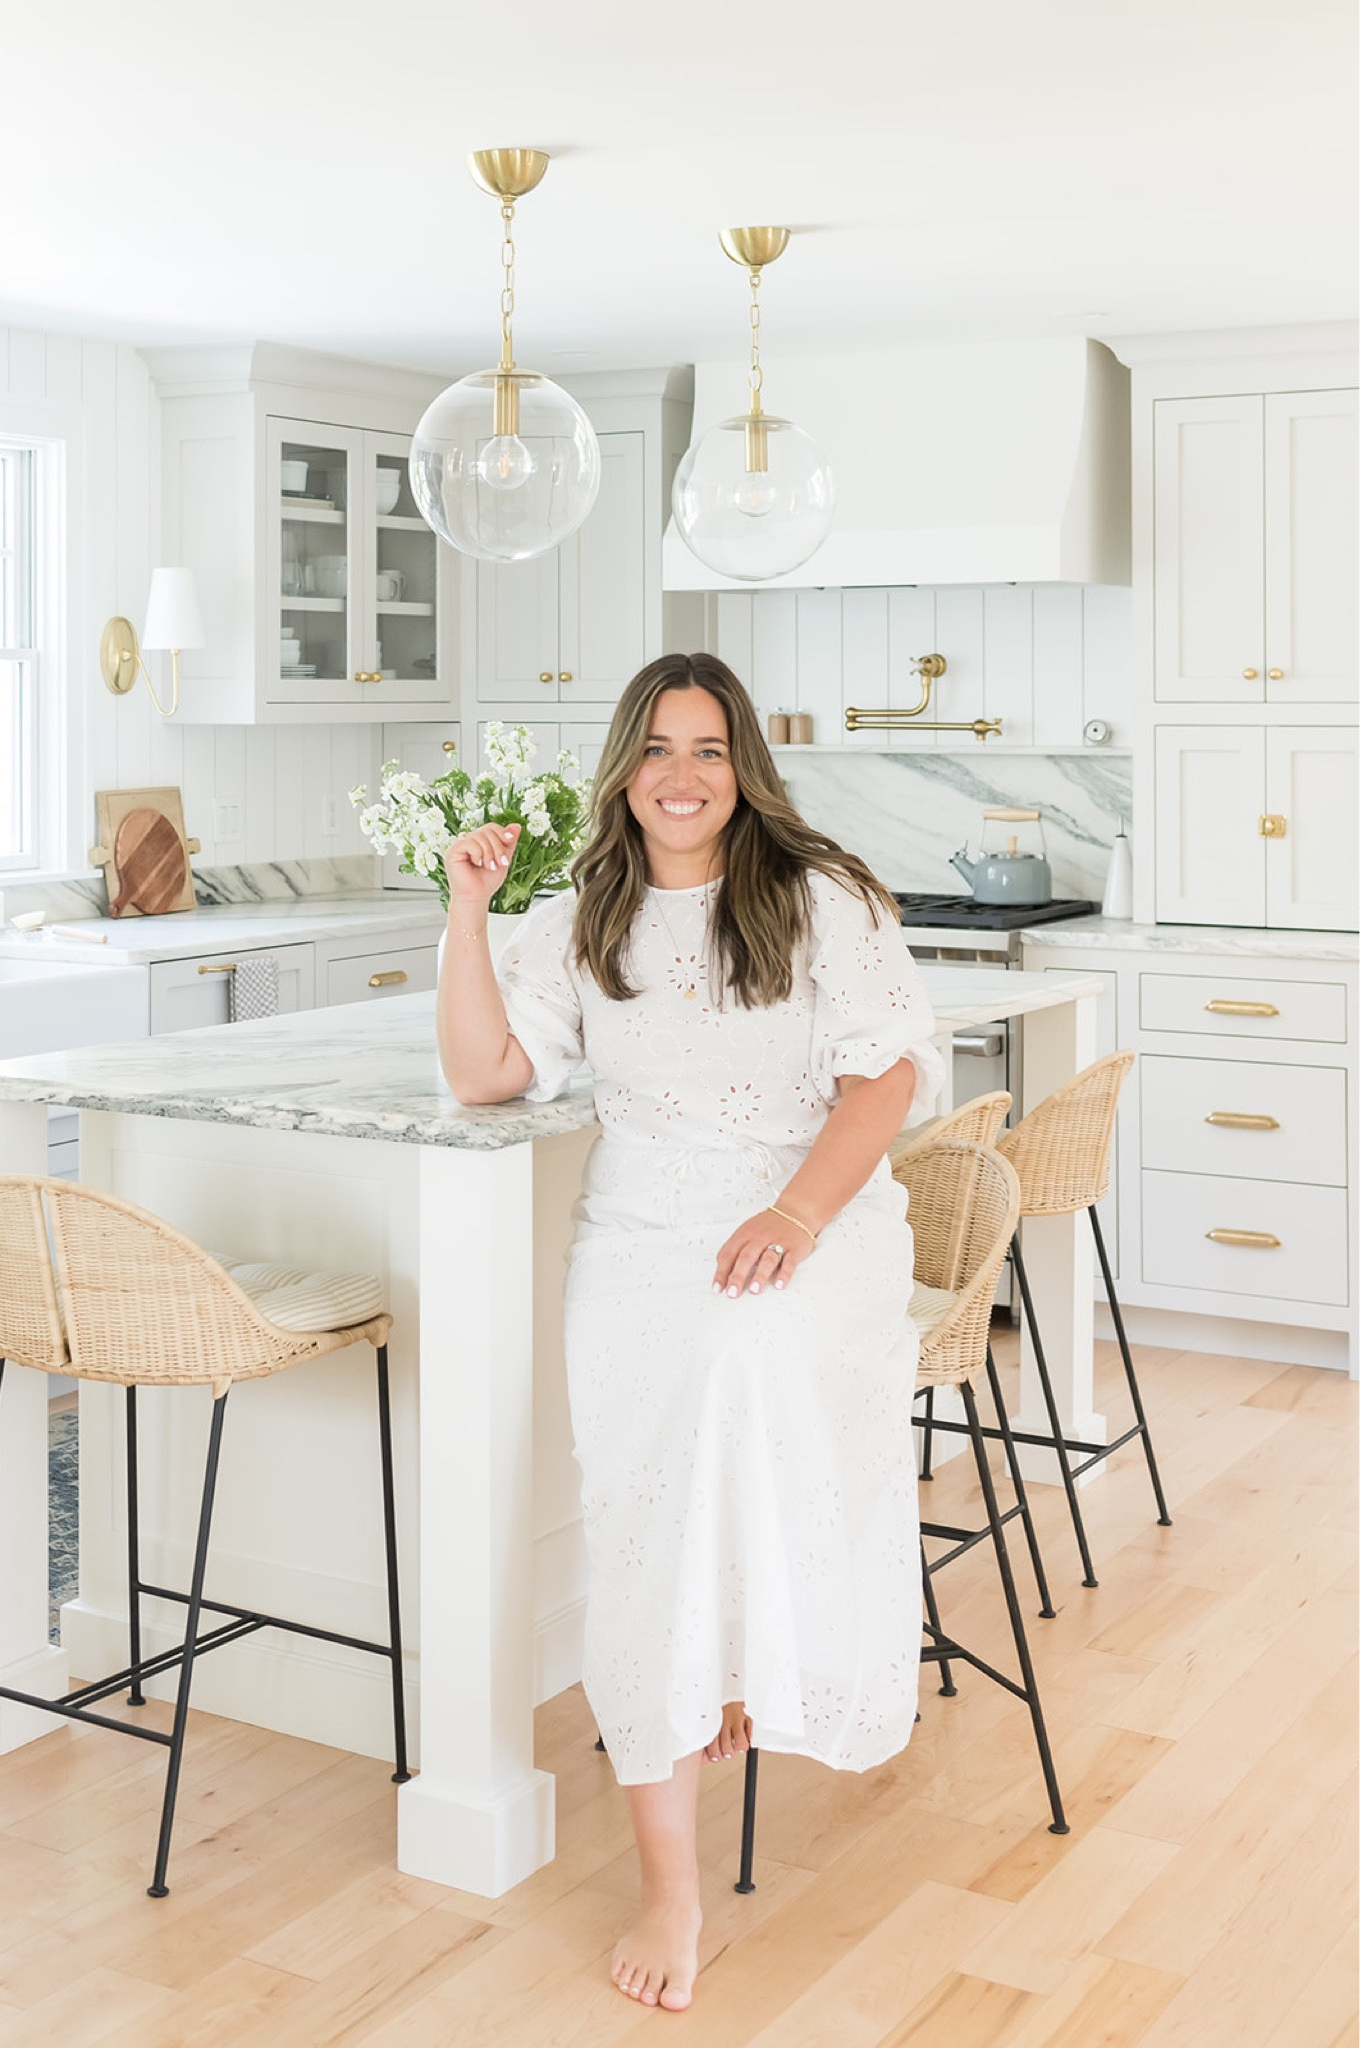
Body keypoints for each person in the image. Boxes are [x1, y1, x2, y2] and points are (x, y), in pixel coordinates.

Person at [436, 653, 944, 2012]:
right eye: (657, 747)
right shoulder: (580, 914)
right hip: (641, 1240)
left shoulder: (818, 898)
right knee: (640, 1523)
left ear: (744, 768)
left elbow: (884, 1073)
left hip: (808, 1218)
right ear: (624, 767)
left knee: (745, 1360)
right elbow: (484, 1076)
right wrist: (467, 912)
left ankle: (733, 1666)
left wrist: (793, 1211)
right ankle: (672, 1879)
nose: (681, 773)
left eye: (709, 748)